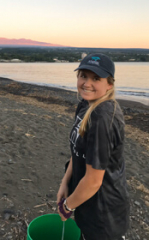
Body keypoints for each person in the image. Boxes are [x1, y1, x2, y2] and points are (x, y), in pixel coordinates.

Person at [57, 53, 130, 240]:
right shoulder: (85, 105)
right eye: (83, 76)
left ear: (109, 84)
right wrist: (66, 183)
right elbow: (77, 152)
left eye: (96, 78)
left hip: (103, 214)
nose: (87, 83)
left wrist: (67, 206)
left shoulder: (102, 118)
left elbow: (94, 181)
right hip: (86, 202)